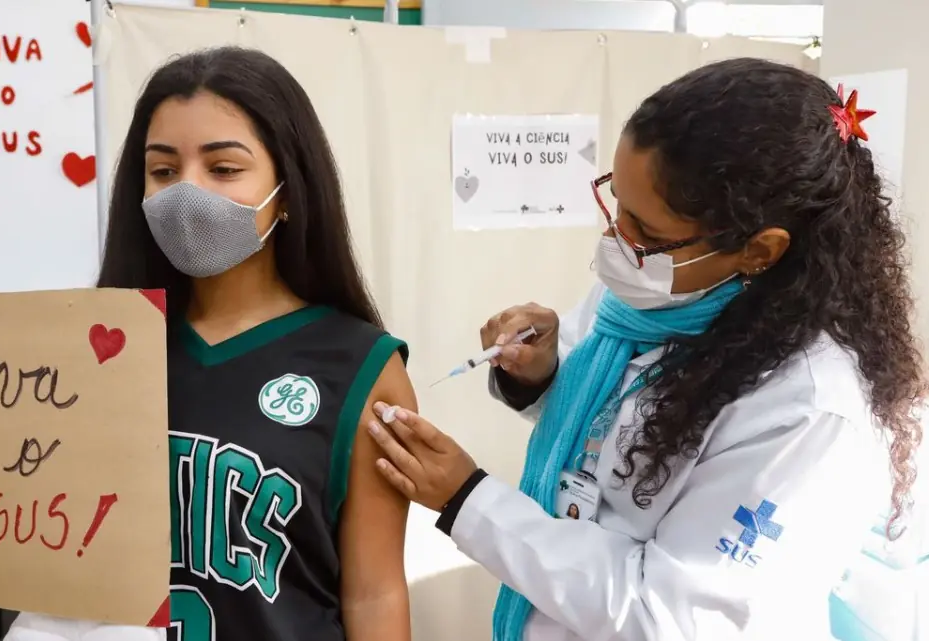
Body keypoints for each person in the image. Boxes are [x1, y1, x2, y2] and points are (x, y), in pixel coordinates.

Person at [363, 58, 925, 640]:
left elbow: (668, 616)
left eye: (648, 233)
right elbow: (614, 424)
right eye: (617, 205)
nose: (616, 241)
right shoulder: (653, 295)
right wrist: (543, 375)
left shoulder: (807, 410)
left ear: (759, 250)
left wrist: (468, 501)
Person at [0, 47, 416, 641]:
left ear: (289, 189)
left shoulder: (361, 368)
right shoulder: (84, 354)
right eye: (163, 171)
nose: (187, 192)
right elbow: (22, 522)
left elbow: (375, 595)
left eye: (223, 168)